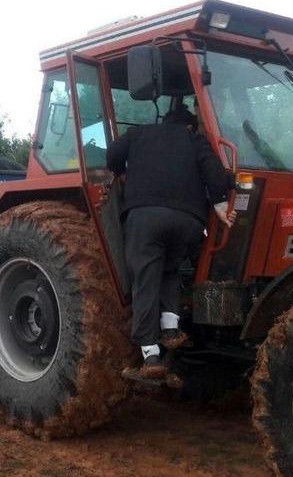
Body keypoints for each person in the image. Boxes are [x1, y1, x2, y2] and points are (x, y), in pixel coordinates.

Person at [106, 106, 236, 380]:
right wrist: (221, 207)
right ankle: (170, 329)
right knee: (170, 270)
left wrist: (121, 173)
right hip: (188, 221)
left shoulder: (138, 134)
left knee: (145, 279)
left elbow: (113, 156)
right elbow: (213, 171)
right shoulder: (194, 140)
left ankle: (150, 354)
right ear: (190, 127)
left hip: (146, 217)